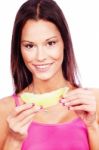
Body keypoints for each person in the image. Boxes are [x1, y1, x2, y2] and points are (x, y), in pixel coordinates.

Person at [0, 0, 99, 149]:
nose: (40, 57)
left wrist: (92, 126)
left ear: (64, 42)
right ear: (19, 49)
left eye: (51, 43)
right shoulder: (6, 110)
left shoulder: (93, 101)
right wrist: (14, 139)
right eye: (29, 46)